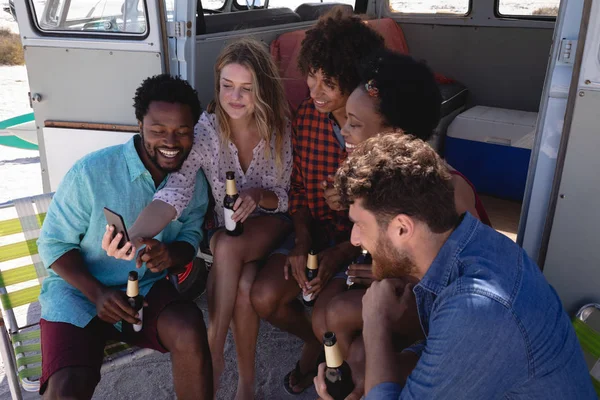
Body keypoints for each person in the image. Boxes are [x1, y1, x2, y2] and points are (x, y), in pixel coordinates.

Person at [314, 133, 595, 399]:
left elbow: (469, 330)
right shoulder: (474, 242)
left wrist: (376, 322)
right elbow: (449, 349)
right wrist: (377, 372)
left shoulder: (478, 308)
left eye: (360, 225)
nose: (354, 238)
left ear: (402, 228)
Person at [105, 38, 293, 399]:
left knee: (223, 242)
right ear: (217, 84)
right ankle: (247, 386)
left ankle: (214, 349)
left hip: (271, 222)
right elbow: (177, 187)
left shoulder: (278, 127)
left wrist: (255, 196)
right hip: (230, 235)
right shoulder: (207, 128)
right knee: (239, 282)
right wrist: (136, 235)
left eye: (246, 88)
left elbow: (283, 197)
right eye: (226, 86)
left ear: (262, 89)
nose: (234, 97)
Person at [312, 50, 493, 376]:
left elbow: (471, 280)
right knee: (326, 319)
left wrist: (394, 276)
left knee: (340, 317)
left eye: (354, 124)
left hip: (446, 308)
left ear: (394, 133)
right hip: (407, 285)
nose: (345, 133)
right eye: (345, 121)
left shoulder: (446, 190)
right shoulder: (383, 175)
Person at [37, 74, 213, 399]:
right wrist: (98, 293)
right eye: (158, 130)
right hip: (78, 293)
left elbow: (190, 236)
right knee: (65, 388)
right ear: (140, 124)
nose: (171, 142)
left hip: (144, 289)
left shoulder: (193, 181)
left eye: (182, 131)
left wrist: (170, 255)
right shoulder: (91, 173)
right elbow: (53, 245)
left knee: (189, 329)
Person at [249, 7, 385, 395]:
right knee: (264, 298)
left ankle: (325, 355)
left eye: (329, 82)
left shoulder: (380, 132)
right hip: (315, 234)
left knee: (326, 319)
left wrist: (340, 253)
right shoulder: (307, 118)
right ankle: (312, 343)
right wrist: (304, 241)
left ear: (357, 80)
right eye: (311, 75)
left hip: (361, 249)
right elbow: (297, 191)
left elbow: (387, 223)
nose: (314, 90)